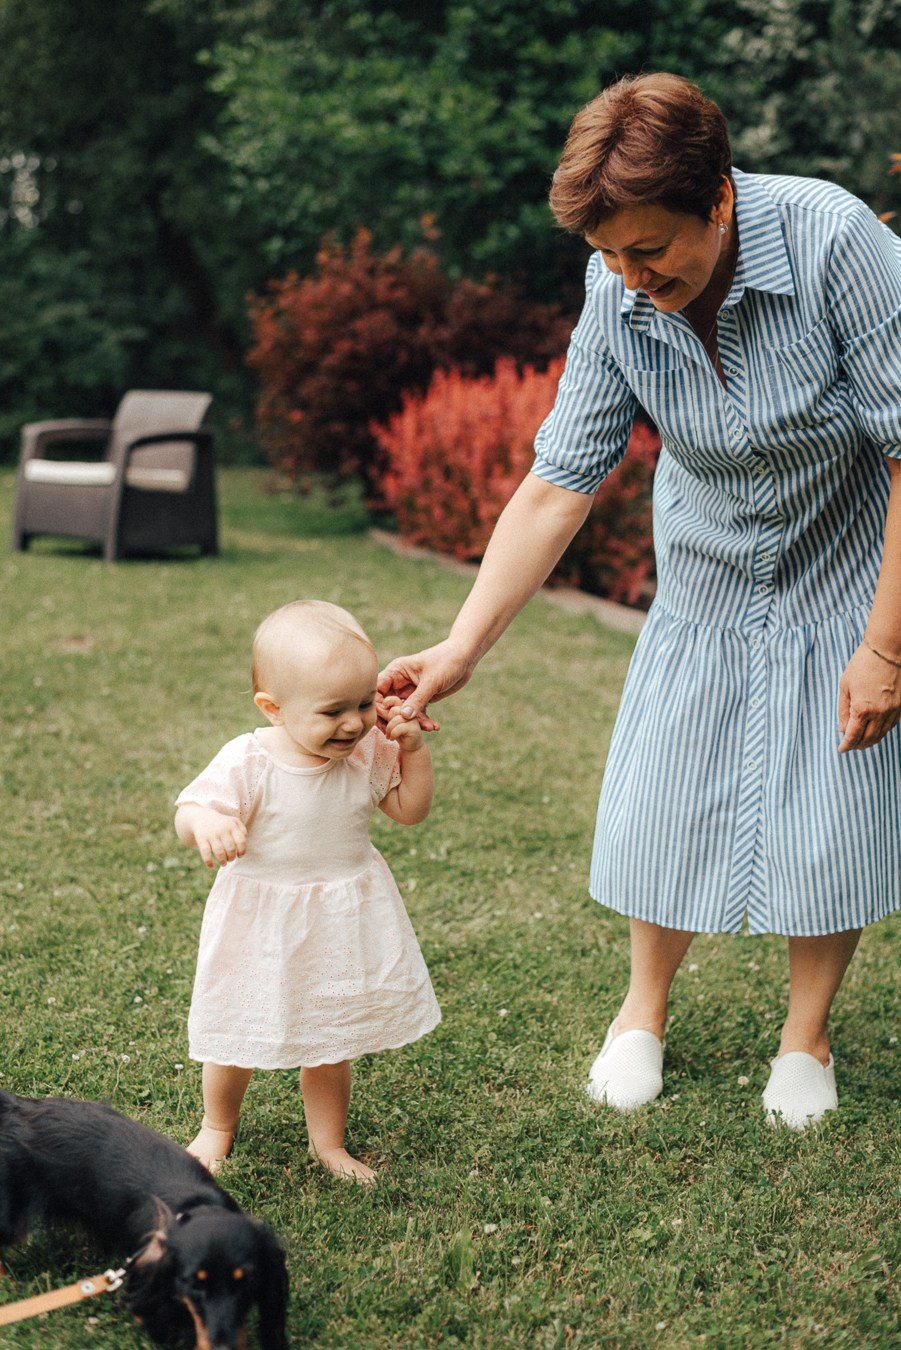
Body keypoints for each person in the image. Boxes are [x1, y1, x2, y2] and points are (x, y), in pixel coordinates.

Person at [379, 72, 901, 1131]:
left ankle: (804, 1036)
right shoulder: (614, 285)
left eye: (649, 250)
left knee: (832, 800)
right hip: (705, 566)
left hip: (845, 555)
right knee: (665, 786)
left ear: (718, 198)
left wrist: (884, 646)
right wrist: (460, 647)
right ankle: (641, 1014)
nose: (628, 276)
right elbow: (560, 480)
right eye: (608, 255)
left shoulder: (835, 242)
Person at [175, 599, 440, 1182]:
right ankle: (216, 1127)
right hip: (260, 924)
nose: (353, 723)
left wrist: (413, 753)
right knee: (236, 1034)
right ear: (273, 708)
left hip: (339, 923)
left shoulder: (366, 753)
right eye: (332, 711)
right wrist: (207, 822)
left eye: (364, 703)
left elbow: (409, 810)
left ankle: (329, 1144)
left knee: (330, 1040)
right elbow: (189, 810)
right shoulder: (249, 760)